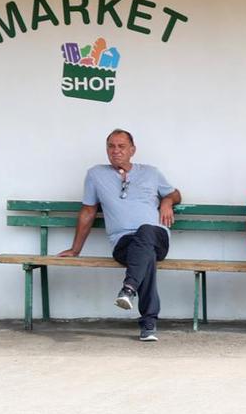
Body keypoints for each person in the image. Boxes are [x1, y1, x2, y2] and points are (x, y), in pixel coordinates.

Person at [59, 129, 182, 342]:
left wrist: (167, 201)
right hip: (123, 242)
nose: (115, 151)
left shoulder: (151, 173)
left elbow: (175, 193)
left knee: (145, 232)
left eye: (121, 146)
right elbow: (88, 211)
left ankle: (129, 290)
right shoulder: (95, 175)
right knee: (145, 256)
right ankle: (146, 322)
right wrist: (75, 249)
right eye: (111, 146)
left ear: (132, 150)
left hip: (156, 236)